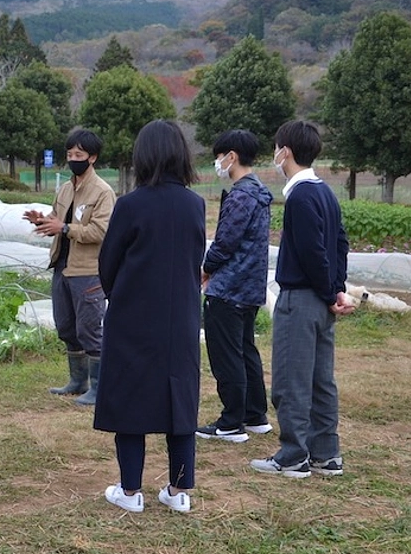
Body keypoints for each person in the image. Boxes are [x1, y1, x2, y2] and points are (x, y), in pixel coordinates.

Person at [93, 120, 205, 513]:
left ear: (143, 156)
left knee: (130, 398)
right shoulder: (196, 203)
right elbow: (195, 261)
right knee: (180, 401)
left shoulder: (131, 204)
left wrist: (120, 295)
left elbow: (108, 264)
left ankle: (130, 491)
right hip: (183, 317)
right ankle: (178, 492)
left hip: (134, 317)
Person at [250, 120, 354, 478]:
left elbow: (311, 252)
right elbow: (340, 242)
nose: (275, 155)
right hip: (323, 302)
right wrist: (336, 290)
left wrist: (328, 291)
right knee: (320, 380)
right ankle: (327, 452)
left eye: (277, 148)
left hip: (301, 299)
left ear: (286, 152)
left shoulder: (299, 195)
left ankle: (293, 455)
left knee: (291, 380)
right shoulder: (325, 191)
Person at [23, 129, 115, 406]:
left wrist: (63, 227)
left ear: (92, 158)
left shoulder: (103, 192)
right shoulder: (65, 188)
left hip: (87, 270)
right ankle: (78, 381)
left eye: (79, 155)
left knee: (90, 329)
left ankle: (100, 387)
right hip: (62, 266)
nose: (73, 159)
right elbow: (56, 220)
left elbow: (100, 231)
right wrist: (43, 221)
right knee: (65, 326)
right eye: (70, 154)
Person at [196, 130, 274, 443]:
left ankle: (231, 422)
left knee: (227, 355)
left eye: (219, 156)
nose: (218, 162)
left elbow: (226, 241)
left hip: (228, 288)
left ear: (232, 156)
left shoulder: (241, 195)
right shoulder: (260, 192)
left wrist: (206, 267)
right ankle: (255, 415)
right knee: (245, 351)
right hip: (251, 286)